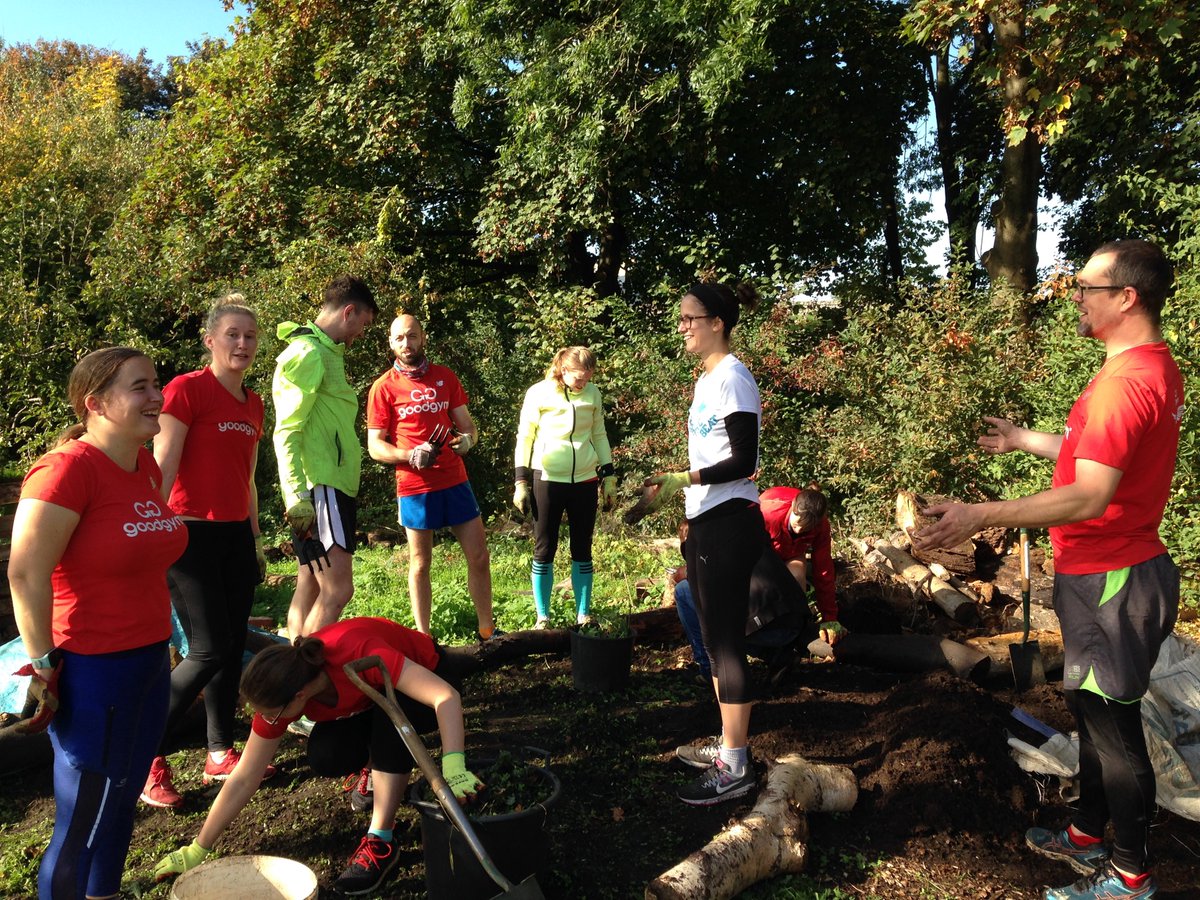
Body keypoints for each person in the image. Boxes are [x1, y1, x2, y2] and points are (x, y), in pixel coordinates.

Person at [914, 239, 1182, 900]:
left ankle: (1131, 879)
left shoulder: (1124, 381)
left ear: (1127, 297)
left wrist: (981, 514)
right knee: (1091, 714)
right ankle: (1089, 832)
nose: (1075, 295)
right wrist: (1025, 440)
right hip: (1108, 571)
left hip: (1112, 580)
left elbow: (1091, 493)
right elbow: (1099, 456)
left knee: (1114, 732)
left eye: (1088, 286)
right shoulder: (1148, 368)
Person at [8, 347, 188, 899]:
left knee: (123, 799)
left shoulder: (143, 463)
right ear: (96, 403)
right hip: (91, 671)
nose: (157, 396)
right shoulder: (66, 471)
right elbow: (25, 574)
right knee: (82, 818)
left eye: (156, 383)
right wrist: (41, 665)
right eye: (140, 387)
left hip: (150, 661)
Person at [152, 616, 483, 897]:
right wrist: (198, 847)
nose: (270, 719)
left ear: (299, 697)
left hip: (429, 676)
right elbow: (244, 777)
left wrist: (454, 765)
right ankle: (377, 774)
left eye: (273, 714)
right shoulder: (284, 690)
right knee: (327, 754)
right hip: (372, 697)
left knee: (389, 729)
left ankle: (381, 839)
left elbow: (445, 696)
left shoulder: (360, 654)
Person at [139, 298, 278, 809]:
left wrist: (257, 537)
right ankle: (144, 755)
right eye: (233, 335)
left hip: (235, 535)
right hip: (187, 534)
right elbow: (163, 464)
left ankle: (218, 750)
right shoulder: (186, 390)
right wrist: (151, 535)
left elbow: (247, 479)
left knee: (229, 645)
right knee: (206, 649)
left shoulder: (254, 403)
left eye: (250, 336)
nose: (243, 344)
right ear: (211, 340)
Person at [642, 280, 766, 806]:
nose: (683, 326)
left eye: (691, 318)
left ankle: (736, 766)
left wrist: (682, 478)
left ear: (718, 322)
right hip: (707, 520)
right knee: (715, 641)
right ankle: (728, 747)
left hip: (730, 519)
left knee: (726, 643)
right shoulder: (707, 379)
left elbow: (744, 461)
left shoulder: (733, 378)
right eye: (681, 319)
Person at [366, 314, 499, 639]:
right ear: (391, 344)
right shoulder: (383, 388)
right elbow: (374, 447)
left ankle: (487, 631)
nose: (406, 344)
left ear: (423, 337)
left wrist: (467, 441)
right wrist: (409, 455)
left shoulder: (445, 377)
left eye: (411, 336)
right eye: (399, 338)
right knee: (420, 564)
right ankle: (423, 638)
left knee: (479, 557)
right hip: (415, 486)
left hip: (454, 480)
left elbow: (468, 427)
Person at [273, 275, 378, 638]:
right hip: (321, 489)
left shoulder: (324, 351)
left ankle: (287, 679)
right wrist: (297, 498)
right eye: (363, 325)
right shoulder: (307, 354)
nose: (360, 335)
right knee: (337, 590)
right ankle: (303, 680)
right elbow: (286, 430)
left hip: (325, 487)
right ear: (349, 312)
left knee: (311, 583)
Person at [513, 346, 617, 628]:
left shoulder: (593, 393)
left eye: (588, 378)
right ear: (562, 369)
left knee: (582, 548)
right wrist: (520, 481)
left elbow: (599, 434)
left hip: (584, 479)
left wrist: (609, 475)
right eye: (578, 378)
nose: (583, 383)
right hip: (546, 479)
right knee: (544, 547)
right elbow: (525, 436)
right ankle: (542, 617)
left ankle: (584, 614)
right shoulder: (539, 393)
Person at [671, 520, 815, 688]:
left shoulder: (704, 548)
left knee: (683, 591)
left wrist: (686, 574)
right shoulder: (746, 529)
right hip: (794, 623)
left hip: (766, 628)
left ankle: (708, 670)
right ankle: (777, 655)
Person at [759, 484, 846, 646]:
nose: (799, 530)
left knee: (796, 578)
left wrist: (830, 617)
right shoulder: (767, 514)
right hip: (762, 551)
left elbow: (823, 570)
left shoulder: (821, 526)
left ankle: (795, 625)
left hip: (793, 552)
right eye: (797, 524)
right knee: (765, 584)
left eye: (805, 529)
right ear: (793, 507)